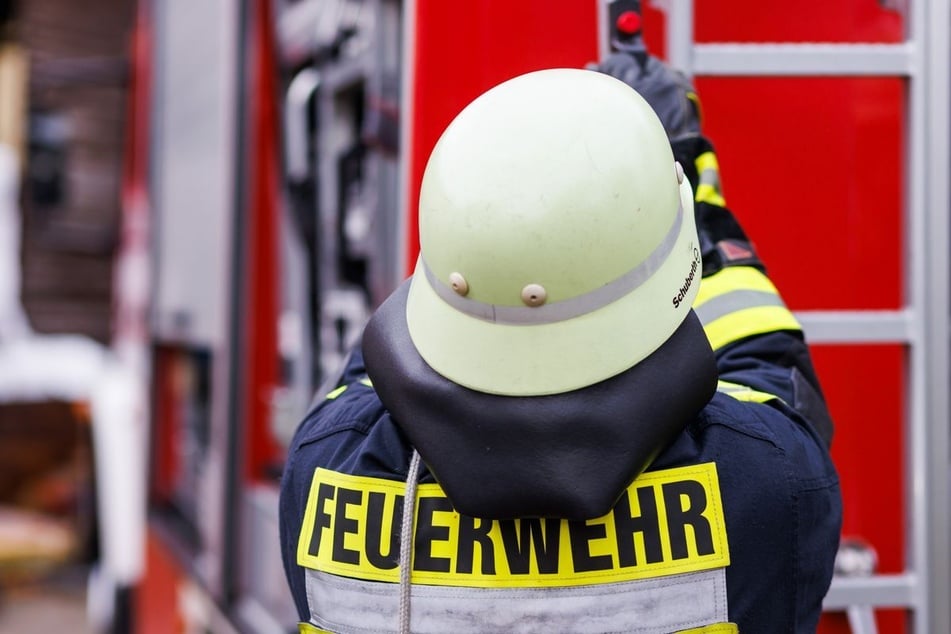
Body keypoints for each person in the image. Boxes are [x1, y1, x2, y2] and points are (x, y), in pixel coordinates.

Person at [279, 57, 842, 633]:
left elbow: (373, 368)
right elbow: (773, 379)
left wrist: (479, 245)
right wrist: (698, 209)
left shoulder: (324, 468)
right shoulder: (768, 483)